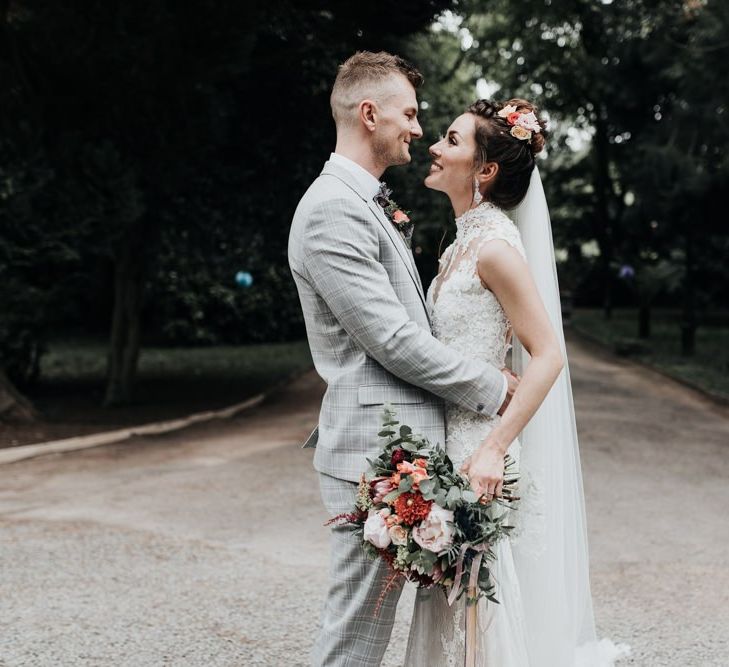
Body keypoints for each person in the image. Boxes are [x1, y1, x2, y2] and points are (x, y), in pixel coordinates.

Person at [287, 52, 518, 666]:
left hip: (394, 452)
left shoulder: (365, 201)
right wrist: (491, 385)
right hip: (372, 458)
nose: (418, 128)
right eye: (410, 115)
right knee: (354, 636)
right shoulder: (331, 208)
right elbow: (390, 339)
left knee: (368, 628)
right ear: (370, 114)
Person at [402, 98, 631, 665]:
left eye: (451, 140)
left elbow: (549, 354)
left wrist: (494, 448)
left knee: (481, 601)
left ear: (486, 170)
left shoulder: (496, 248)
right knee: (454, 602)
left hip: (480, 448)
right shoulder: (459, 244)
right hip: (449, 443)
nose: (434, 146)